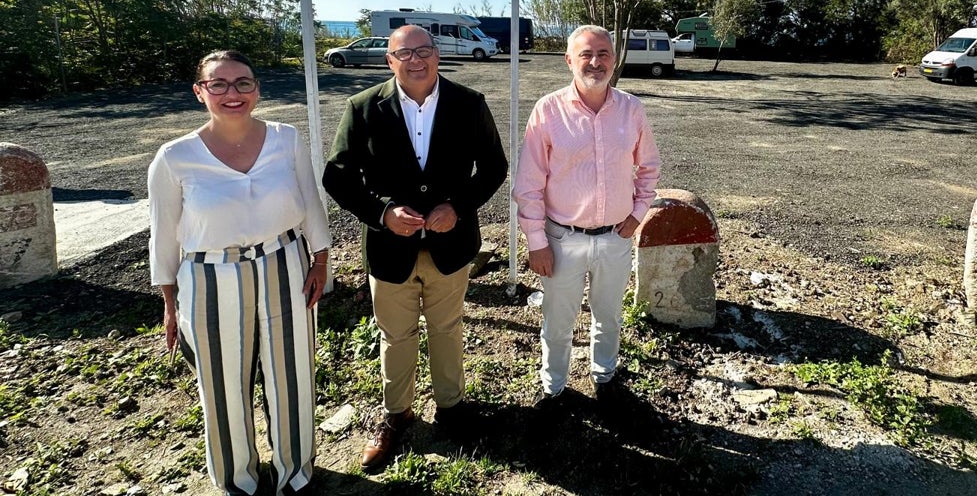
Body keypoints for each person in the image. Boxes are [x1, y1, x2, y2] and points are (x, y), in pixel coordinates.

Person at [322, 25, 507, 469]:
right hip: (390, 248)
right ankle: (396, 414)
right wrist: (383, 212)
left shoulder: (469, 103)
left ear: (437, 56)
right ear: (390, 61)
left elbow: (494, 167)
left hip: (451, 244)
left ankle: (452, 409)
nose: (416, 60)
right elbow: (337, 175)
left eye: (424, 50)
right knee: (395, 335)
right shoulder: (363, 107)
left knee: (447, 329)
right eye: (404, 53)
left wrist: (457, 206)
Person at [149, 50, 331, 496]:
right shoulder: (175, 158)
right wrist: (170, 303)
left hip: (285, 264)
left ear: (257, 89)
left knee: (293, 373)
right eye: (219, 84)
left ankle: (297, 473)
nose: (233, 94)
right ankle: (239, 480)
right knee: (222, 382)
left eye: (243, 83)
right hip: (210, 277)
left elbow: (311, 202)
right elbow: (164, 235)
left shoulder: (286, 139)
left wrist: (321, 260)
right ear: (200, 92)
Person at [513, 25, 661, 402]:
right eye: (586, 55)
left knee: (608, 317)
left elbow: (649, 167)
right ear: (569, 60)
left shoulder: (631, 109)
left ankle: (605, 378)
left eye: (604, 54)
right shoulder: (548, 110)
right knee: (558, 322)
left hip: (615, 238)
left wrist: (638, 213)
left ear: (614, 59)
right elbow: (529, 182)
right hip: (562, 240)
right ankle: (555, 388)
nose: (595, 62)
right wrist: (536, 241)